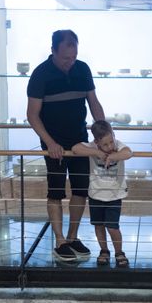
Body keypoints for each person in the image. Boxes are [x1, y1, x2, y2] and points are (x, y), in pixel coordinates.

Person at [27, 30, 106, 264]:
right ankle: (59, 240)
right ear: (53, 51)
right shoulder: (41, 74)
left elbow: (94, 104)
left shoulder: (82, 69)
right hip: (53, 142)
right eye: (65, 58)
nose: (70, 62)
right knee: (56, 191)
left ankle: (72, 237)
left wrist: (104, 135)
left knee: (81, 189)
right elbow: (32, 115)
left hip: (80, 140)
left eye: (73, 57)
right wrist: (50, 143)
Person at [72, 120, 132, 268]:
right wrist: (97, 152)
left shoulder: (118, 145)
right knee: (98, 225)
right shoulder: (92, 147)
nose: (109, 146)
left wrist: (113, 156)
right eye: (105, 144)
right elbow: (75, 149)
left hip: (114, 195)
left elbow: (128, 152)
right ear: (97, 141)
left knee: (112, 226)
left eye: (111, 141)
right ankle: (104, 250)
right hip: (95, 194)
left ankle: (119, 252)